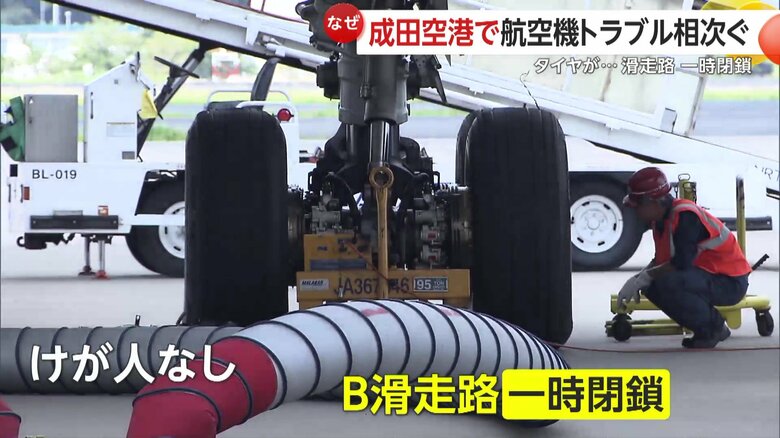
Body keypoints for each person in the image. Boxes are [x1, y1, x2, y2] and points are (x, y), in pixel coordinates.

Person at [618, 167, 752, 349]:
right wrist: (638, 279)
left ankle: (713, 328)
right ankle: (708, 328)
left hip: (729, 282)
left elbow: (681, 263)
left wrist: (645, 276)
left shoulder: (685, 216)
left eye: (637, 206)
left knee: (669, 282)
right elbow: (662, 262)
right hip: (706, 277)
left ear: (653, 202)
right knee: (652, 285)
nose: (635, 212)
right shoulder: (661, 221)